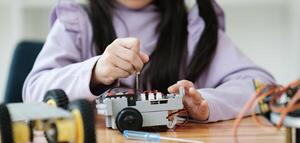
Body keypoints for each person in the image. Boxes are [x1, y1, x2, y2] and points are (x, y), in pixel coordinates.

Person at [22, 0, 274, 122]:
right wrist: (95, 72)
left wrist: (208, 103)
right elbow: (34, 91)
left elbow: (263, 88)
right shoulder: (77, 21)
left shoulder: (194, 27)